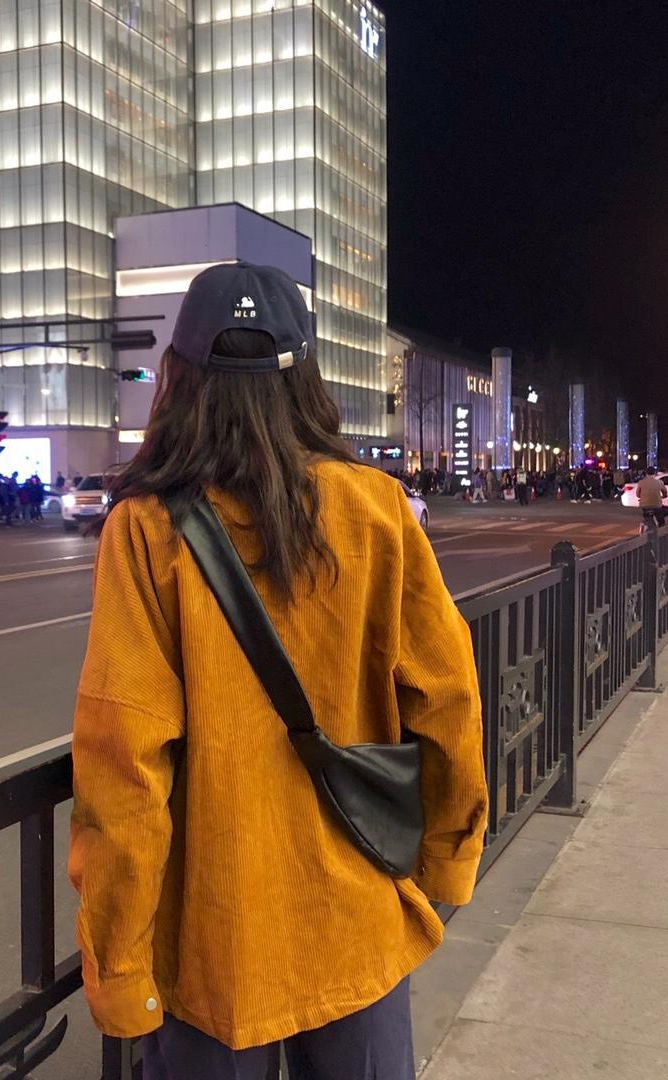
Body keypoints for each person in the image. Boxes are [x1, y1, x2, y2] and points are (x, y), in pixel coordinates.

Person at [69, 263, 488, 1080]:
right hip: (358, 906)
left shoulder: (147, 531)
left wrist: (119, 962)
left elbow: (124, 760)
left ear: (179, 380)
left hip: (216, 938)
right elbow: (448, 698)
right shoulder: (376, 509)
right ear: (306, 379)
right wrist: (446, 857)